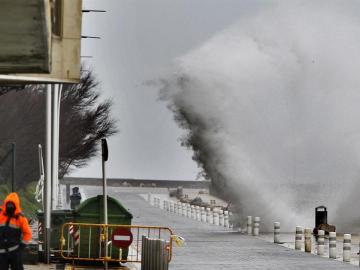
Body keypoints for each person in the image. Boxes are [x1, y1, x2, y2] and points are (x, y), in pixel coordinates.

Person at [0, 192, 32, 270]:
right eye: (8, 204)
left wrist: (21, 246)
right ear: (5, 204)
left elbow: (28, 233)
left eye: (12, 205)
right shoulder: (1, 215)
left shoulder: (21, 218)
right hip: (1, 252)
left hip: (15, 251)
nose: (9, 206)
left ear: (16, 205)